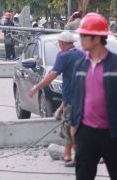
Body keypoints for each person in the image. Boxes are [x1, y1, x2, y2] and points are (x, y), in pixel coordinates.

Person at [70, 13, 117, 180]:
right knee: (83, 175)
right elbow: (75, 97)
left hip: (112, 132)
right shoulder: (79, 65)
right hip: (85, 132)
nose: (81, 39)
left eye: (84, 35)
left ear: (97, 38)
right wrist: (73, 124)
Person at [29, 31, 83, 166]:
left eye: (59, 43)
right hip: (82, 97)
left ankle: (80, 157)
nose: (58, 45)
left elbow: (53, 74)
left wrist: (36, 87)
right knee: (67, 126)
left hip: (72, 99)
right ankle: (67, 156)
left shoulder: (64, 56)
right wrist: (61, 107)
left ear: (63, 43)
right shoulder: (81, 54)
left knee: (71, 128)